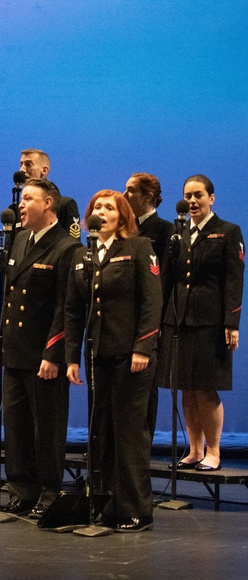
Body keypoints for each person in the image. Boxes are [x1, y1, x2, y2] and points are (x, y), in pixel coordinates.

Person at [65, 190, 161, 532]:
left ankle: (136, 509)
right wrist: (71, 357)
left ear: (122, 216)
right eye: (97, 207)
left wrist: (143, 348)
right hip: (97, 354)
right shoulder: (82, 254)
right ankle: (105, 503)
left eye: (109, 207)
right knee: (100, 430)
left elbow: (152, 303)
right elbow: (73, 311)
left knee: (129, 432)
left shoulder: (138, 248)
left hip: (130, 355)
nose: (102, 212)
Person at [0, 178, 82, 518]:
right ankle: (22, 488)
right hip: (16, 351)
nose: (21, 204)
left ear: (48, 204)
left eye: (28, 199)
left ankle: (50, 490)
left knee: (46, 428)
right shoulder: (19, 240)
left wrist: (53, 354)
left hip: (43, 353)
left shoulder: (66, 247)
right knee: (16, 426)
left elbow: (67, 307)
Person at [157, 175, 243, 472]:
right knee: (186, 389)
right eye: (188, 196)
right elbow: (167, 279)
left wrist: (231, 322)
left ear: (212, 198)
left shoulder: (228, 232)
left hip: (210, 322)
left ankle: (214, 451)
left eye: (198, 195)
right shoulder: (177, 233)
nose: (192, 201)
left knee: (206, 388)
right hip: (178, 321)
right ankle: (193, 450)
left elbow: (234, 280)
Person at [123, 172, 172, 433]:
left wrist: (158, 322)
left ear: (149, 197)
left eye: (131, 190)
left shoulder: (164, 230)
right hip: (122, 317)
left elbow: (165, 280)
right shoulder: (124, 231)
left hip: (148, 320)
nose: (124, 195)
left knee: (145, 386)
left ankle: (144, 440)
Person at [15, 149, 81, 241]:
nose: (22, 170)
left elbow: (73, 246)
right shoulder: (17, 208)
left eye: (28, 164)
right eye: (21, 164)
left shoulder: (64, 205)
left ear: (44, 170)